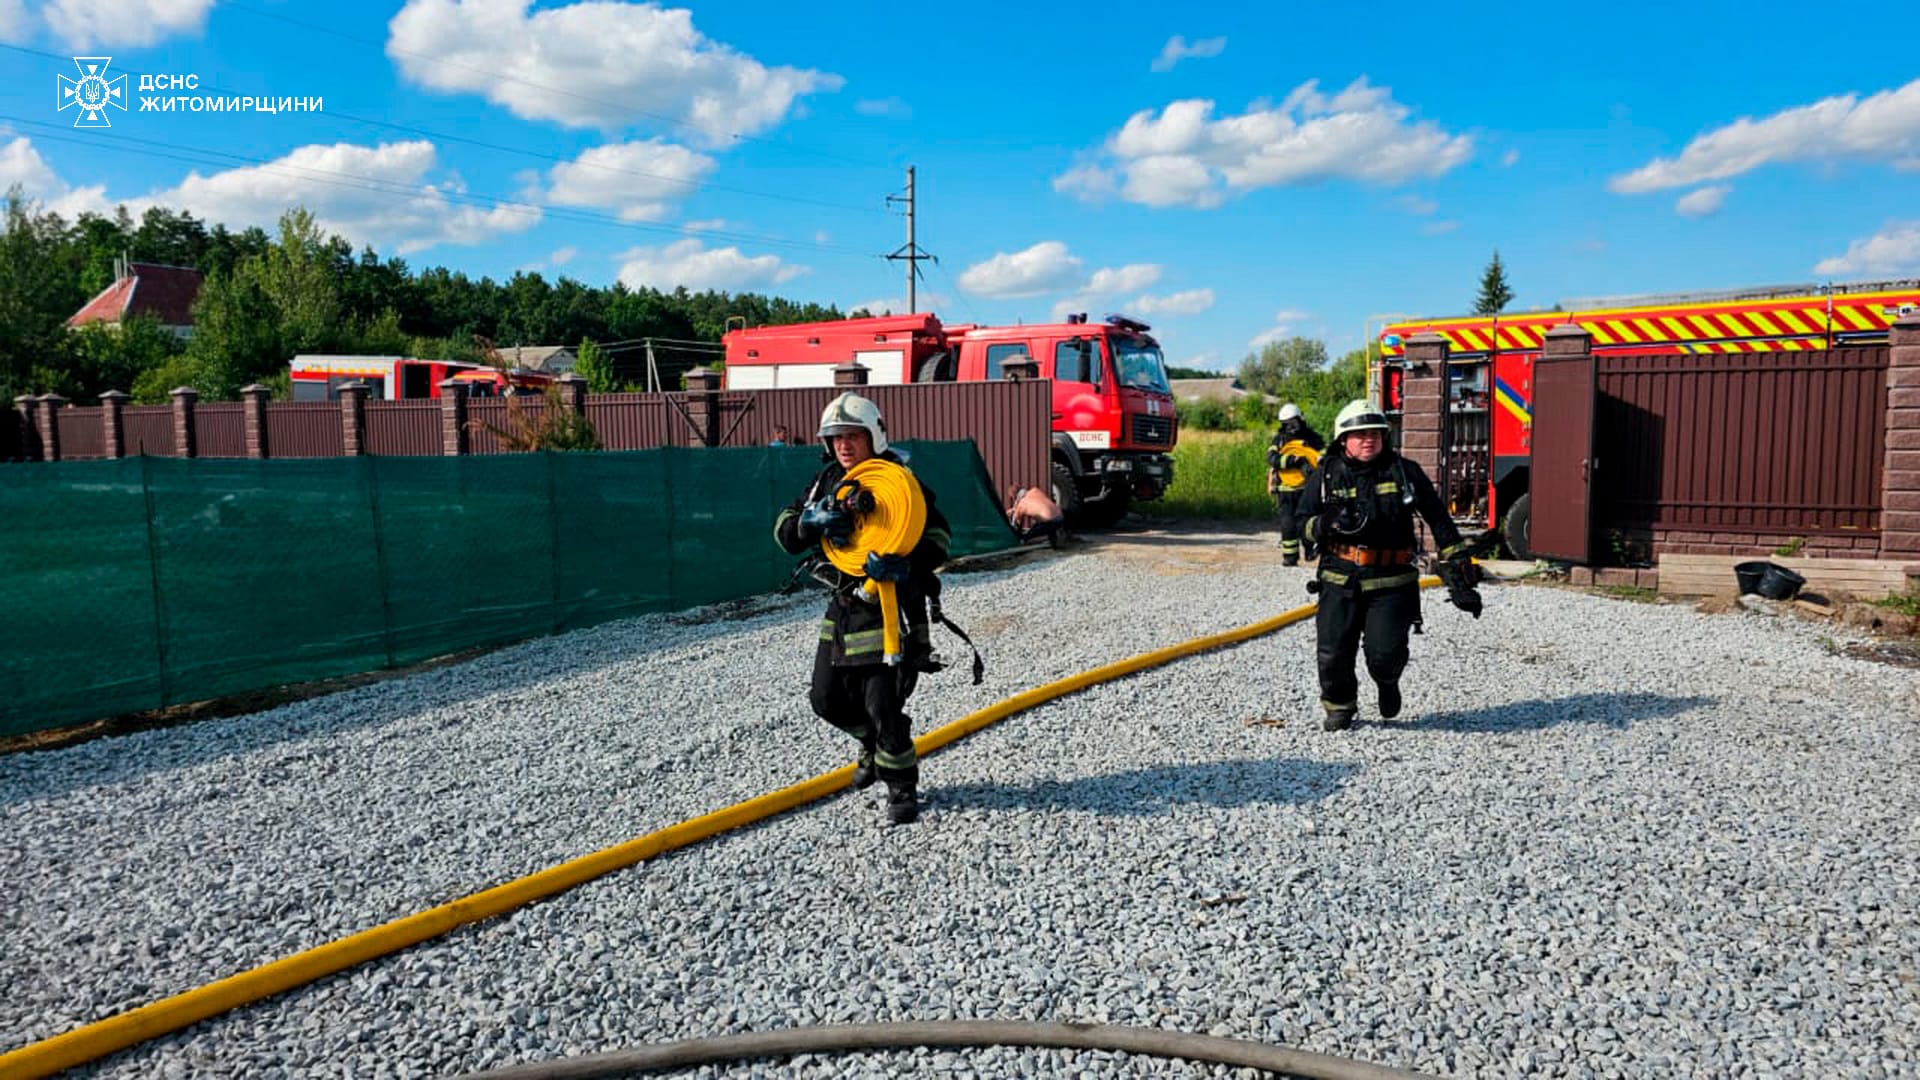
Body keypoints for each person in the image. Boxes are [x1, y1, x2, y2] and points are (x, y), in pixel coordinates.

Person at [774, 392, 951, 824]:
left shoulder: (900, 480)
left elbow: (941, 536)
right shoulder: (825, 481)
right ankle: (873, 746)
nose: (844, 446)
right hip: (843, 604)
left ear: (873, 435)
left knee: (882, 702)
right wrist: (806, 523)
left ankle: (901, 786)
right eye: (835, 438)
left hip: (890, 606)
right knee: (825, 698)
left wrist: (906, 562)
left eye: (852, 435)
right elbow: (783, 530)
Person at [1298, 400, 1482, 731]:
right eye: (1360, 434)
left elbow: (1439, 519)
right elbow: (1300, 522)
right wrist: (1322, 524)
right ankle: (1340, 706)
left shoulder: (1404, 472)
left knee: (1385, 653)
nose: (1369, 439)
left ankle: (1387, 681)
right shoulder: (1326, 475)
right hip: (1339, 578)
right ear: (1344, 440)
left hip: (1391, 580)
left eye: (1375, 433)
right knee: (1333, 649)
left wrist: (1459, 571)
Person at [1266, 403, 1325, 567]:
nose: (1291, 427)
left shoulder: (1312, 438)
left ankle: (1309, 550)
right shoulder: (1279, 440)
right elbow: (1272, 459)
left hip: (1308, 489)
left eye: (1294, 422)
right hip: (1286, 490)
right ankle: (1290, 557)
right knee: (1288, 524)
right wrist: (1294, 461)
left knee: (1307, 521)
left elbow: (1321, 458)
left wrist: (1314, 465)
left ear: (1300, 419)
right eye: (1287, 423)